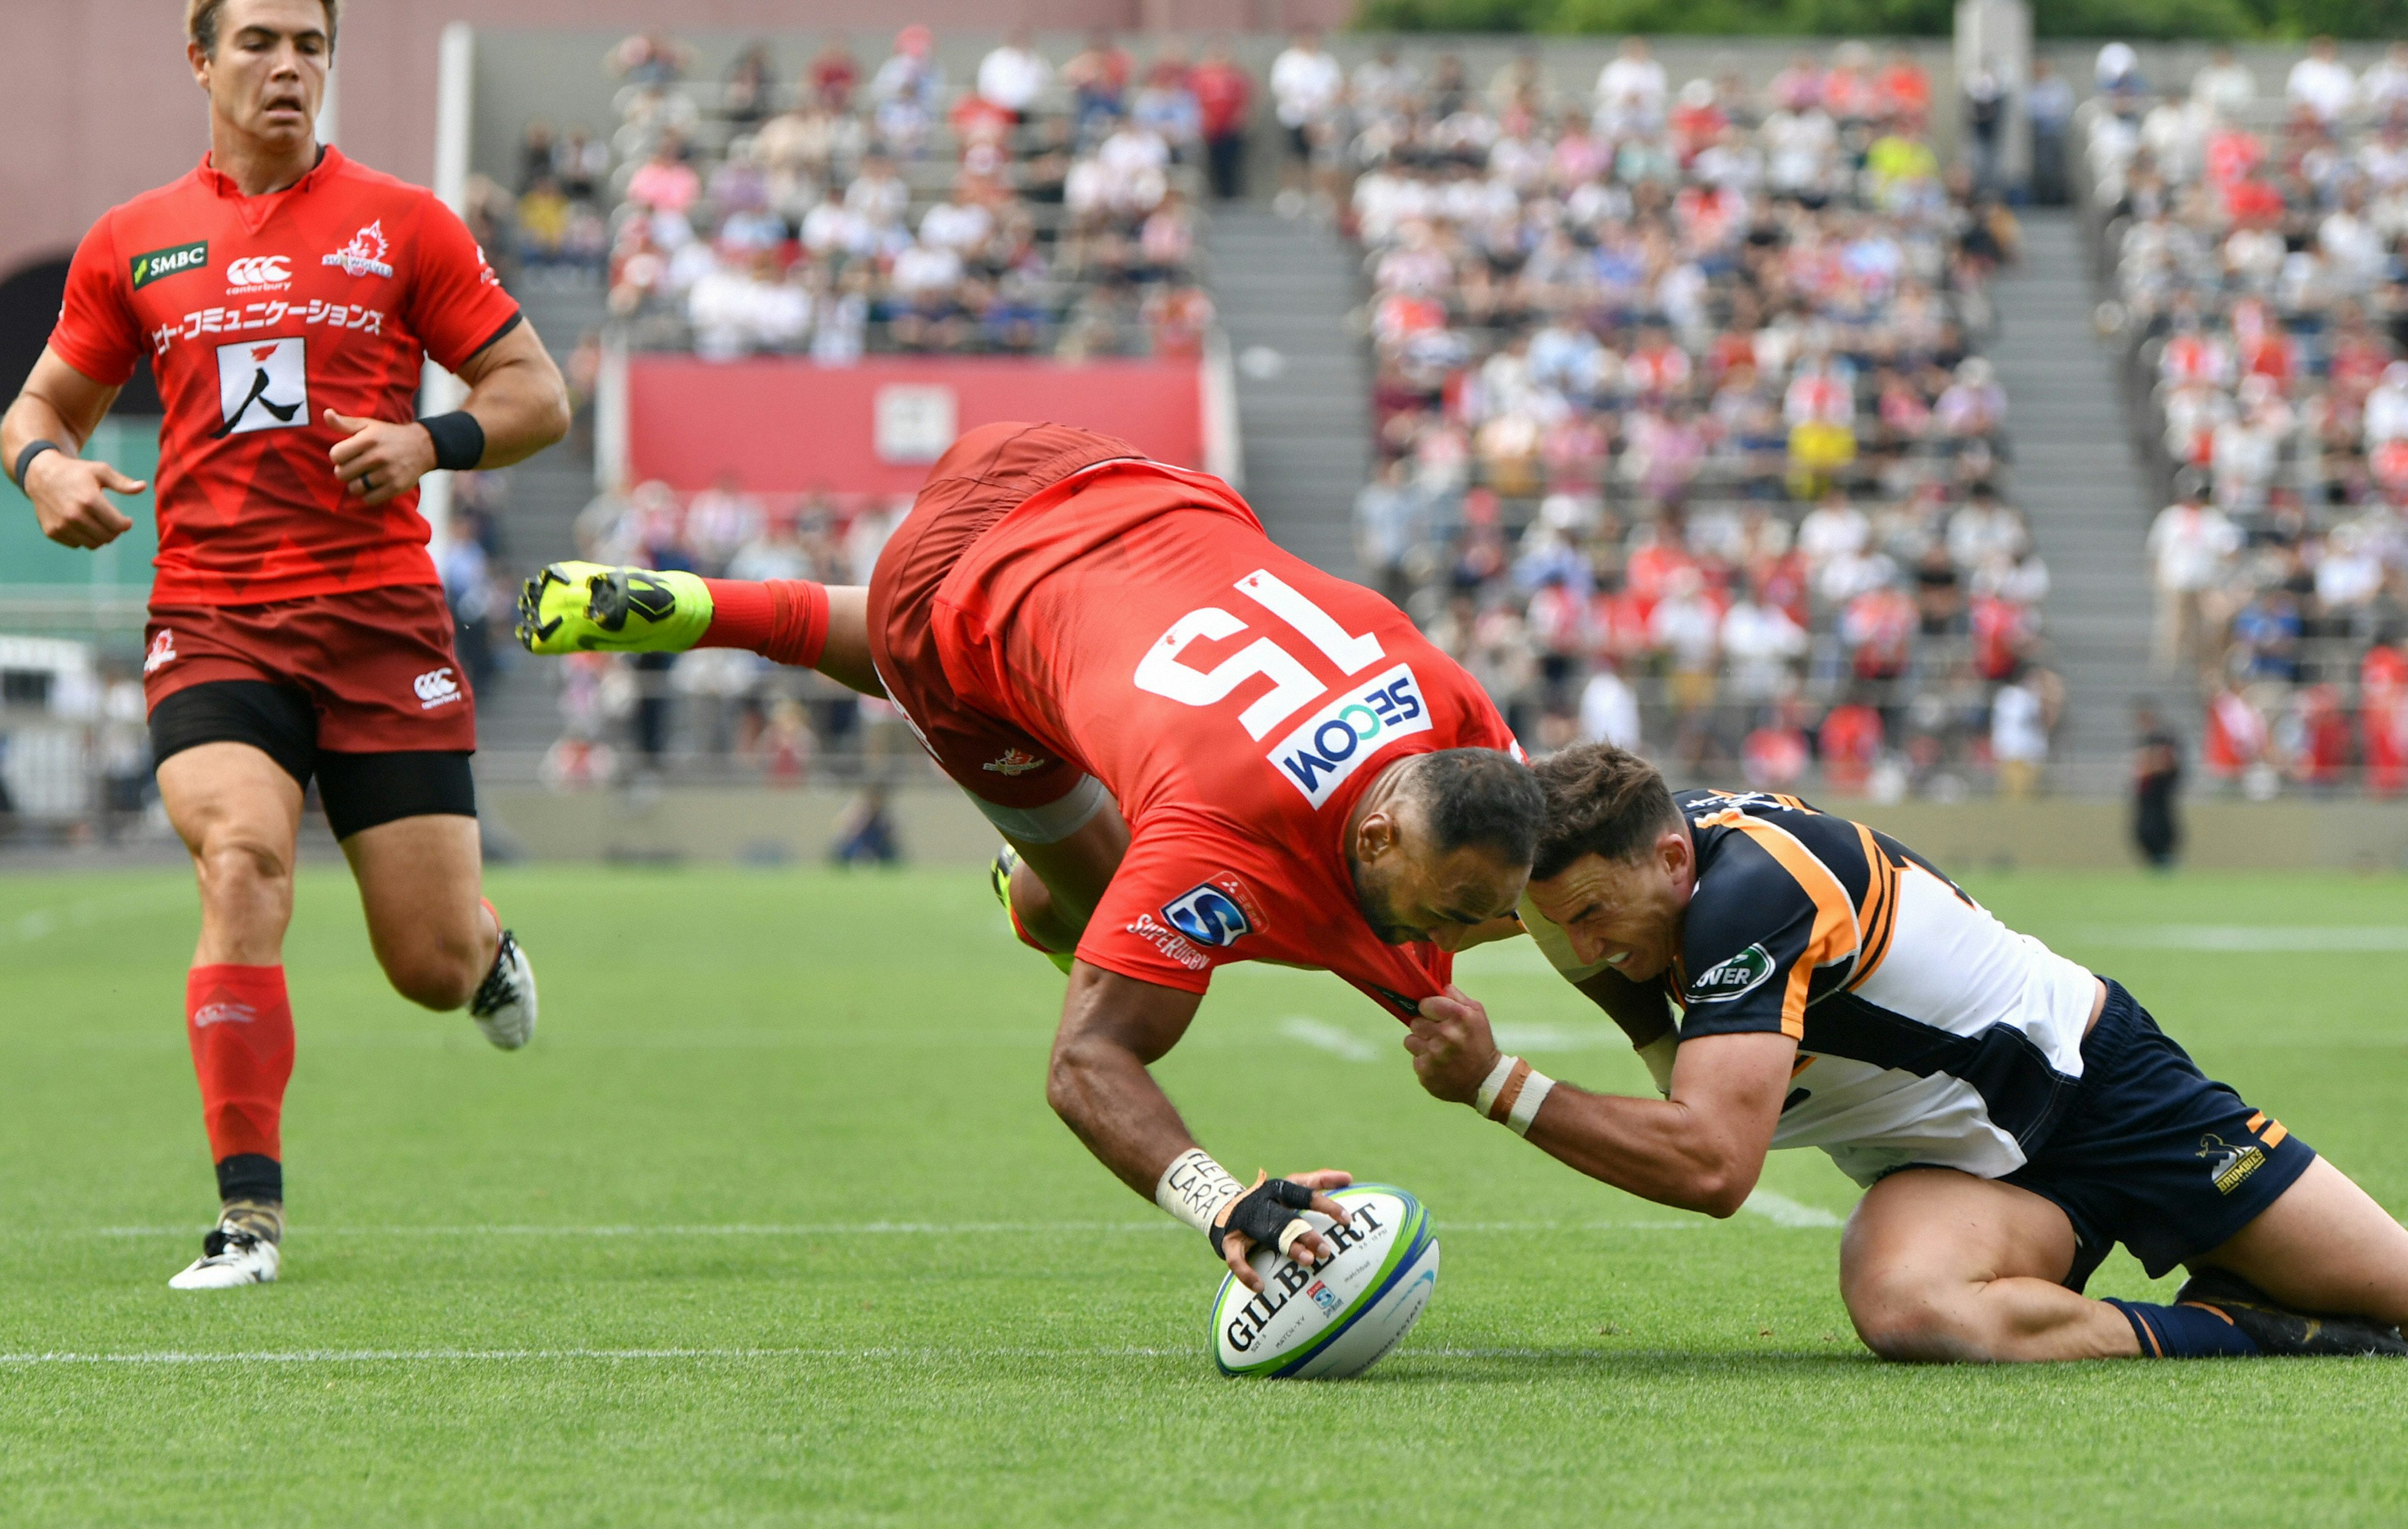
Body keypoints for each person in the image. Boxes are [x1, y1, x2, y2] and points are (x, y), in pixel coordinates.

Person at [517, 423, 1543, 1294]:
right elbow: (1085, 1062)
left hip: (1103, 478)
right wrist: (1222, 1201)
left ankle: (702, 605)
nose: (1475, 933)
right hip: (952, 582)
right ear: (1383, 835)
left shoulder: (1449, 709)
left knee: (993, 656)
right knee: (1079, 892)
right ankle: (1038, 896)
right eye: (1458, 909)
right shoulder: (1214, 844)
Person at [0, 0, 571, 1290]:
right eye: (257, 42)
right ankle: (246, 1219)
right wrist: (44, 469)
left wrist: (431, 441)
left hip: (380, 626)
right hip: (211, 621)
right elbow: (39, 404)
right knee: (243, 863)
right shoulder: (133, 243)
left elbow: (538, 394)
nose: (287, 67)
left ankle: (482, 948)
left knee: (425, 968)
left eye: (309, 45)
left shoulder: (406, 224)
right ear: (200, 61)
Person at [1406, 744, 2408, 1361]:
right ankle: (2248, 1327)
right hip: (1973, 1177)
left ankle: (2264, 1281)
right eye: (1555, 924)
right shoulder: (1628, 869)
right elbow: (1433, 914)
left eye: (1592, 918)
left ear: (1673, 862)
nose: (1582, 950)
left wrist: (1497, 1083)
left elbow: (1713, 1164)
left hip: (2110, 1095)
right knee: (1908, 1302)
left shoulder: (1756, 897)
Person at [2133, 703, 2182, 868]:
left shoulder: (2162, 739)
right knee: (2145, 830)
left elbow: (2170, 763)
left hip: (2159, 795)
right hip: (2149, 797)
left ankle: (2164, 860)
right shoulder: (2146, 740)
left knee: (2160, 827)